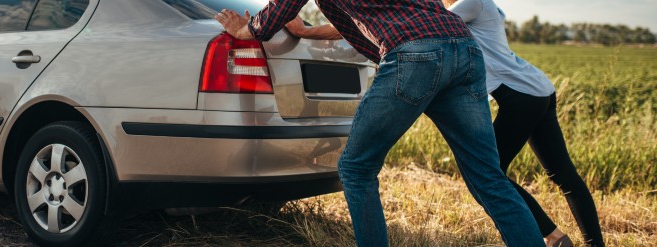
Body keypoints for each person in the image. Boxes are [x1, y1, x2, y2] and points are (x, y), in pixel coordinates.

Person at [214, 1, 543, 246]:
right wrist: (306, 31)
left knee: (356, 168)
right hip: (465, 50)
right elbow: (364, 21)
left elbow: (280, 9)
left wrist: (246, 30)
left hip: (416, 54)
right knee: (489, 177)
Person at [443, 0, 605, 246]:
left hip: (521, 95)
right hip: (538, 89)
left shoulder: (471, 2)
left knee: (486, 171)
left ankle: (553, 237)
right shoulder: (484, 4)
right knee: (565, 175)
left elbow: (431, 24)